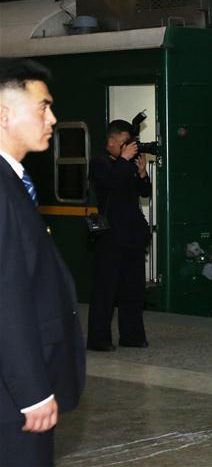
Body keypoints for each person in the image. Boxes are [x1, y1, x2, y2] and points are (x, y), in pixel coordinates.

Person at [0, 58, 86, 466]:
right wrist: (32, 391)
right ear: (4, 114)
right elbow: (6, 295)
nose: (52, 118)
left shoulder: (11, 181)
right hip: (11, 398)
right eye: (43, 106)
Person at [85, 120, 151, 351]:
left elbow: (144, 193)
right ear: (111, 141)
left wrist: (142, 174)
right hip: (110, 236)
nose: (128, 148)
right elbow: (111, 185)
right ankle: (98, 339)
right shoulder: (99, 163)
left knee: (133, 290)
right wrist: (124, 161)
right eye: (125, 143)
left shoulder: (128, 165)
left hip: (132, 236)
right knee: (106, 290)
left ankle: (132, 336)